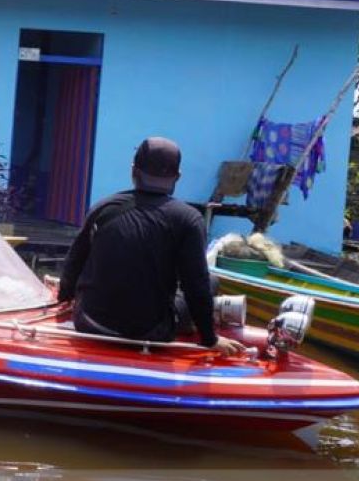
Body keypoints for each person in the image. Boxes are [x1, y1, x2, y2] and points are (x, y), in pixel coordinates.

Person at [57, 137, 247, 356]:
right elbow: (196, 287)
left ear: (133, 171)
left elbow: (74, 262)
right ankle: (189, 329)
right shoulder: (189, 219)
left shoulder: (103, 207)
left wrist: (65, 298)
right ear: (178, 177)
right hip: (150, 332)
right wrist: (209, 339)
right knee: (210, 282)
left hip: (89, 323)